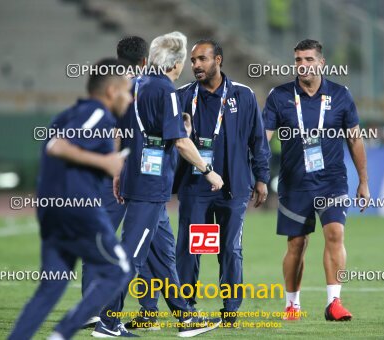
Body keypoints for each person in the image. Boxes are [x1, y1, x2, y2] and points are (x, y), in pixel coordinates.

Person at [125, 39, 271, 329]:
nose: (196, 65)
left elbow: (258, 140)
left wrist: (262, 178)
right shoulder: (180, 95)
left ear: (218, 60)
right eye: (192, 61)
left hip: (233, 188)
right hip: (195, 188)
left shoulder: (243, 95)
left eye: (202, 59)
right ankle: (188, 309)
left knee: (230, 249)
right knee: (191, 249)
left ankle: (230, 311)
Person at [93, 32, 223, 338]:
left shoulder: (135, 84)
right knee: (131, 255)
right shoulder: (166, 90)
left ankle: (186, 317)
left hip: (136, 181)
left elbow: (120, 133)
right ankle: (107, 322)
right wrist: (208, 170)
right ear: (175, 63)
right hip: (149, 188)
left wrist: (116, 173)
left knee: (164, 255)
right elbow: (180, 142)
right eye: (184, 62)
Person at [8, 58, 134, 340]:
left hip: (52, 212)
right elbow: (57, 145)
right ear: (112, 91)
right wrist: (105, 164)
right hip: (78, 212)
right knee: (119, 270)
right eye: (127, 90)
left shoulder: (68, 113)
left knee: (51, 286)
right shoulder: (96, 113)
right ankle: (62, 334)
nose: (130, 97)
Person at [263, 39, 369, 321]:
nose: (303, 65)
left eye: (309, 59)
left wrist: (363, 181)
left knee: (335, 233)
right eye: (298, 60)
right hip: (294, 181)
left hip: (331, 180)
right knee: (296, 243)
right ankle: (292, 304)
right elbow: (264, 139)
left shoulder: (341, 94)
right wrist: (258, 175)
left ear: (321, 63)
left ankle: (334, 302)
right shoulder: (280, 95)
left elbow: (355, 139)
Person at [81, 36, 149, 330]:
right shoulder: (150, 88)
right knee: (145, 244)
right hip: (134, 179)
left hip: (111, 175)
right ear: (145, 61)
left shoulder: (106, 88)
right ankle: (151, 309)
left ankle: (92, 309)